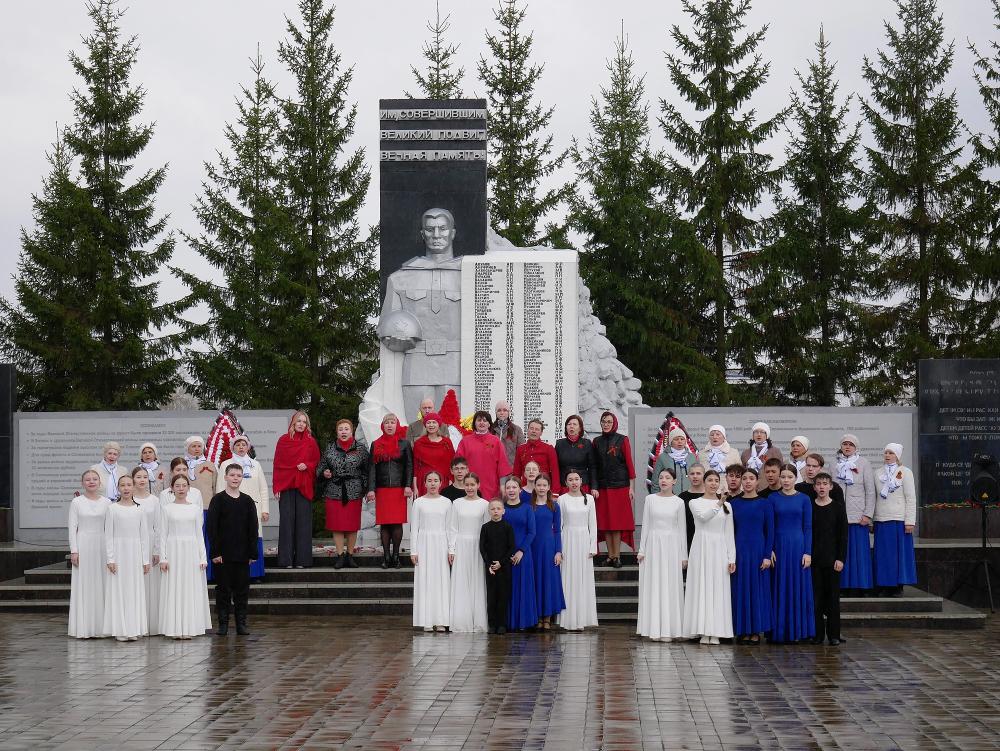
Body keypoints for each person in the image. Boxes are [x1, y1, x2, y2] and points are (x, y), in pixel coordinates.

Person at [378, 208, 463, 421]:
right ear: (422, 234)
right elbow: (386, 327)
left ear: (453, 233)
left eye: (442, 229)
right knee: (416, 429)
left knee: (455, 429)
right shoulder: (400, 278)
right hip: (416, 363)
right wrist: (394, 336)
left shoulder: (470, 274)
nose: (436, 235)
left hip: (456, 364)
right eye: (430, 229)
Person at [683, 470, 737, 645]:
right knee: (702, 586)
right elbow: (703, 518)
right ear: (704, 483)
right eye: (710, 480)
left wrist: (731, 558)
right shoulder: (694, 502)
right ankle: (702, 629)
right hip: (701, 546)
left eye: (716, 480)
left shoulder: (728, 506)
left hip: (719, 548)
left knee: (718, 588)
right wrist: (719, 502)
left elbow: (729, 533)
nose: (713, 483)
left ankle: (716, 631)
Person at [207, 464, 260, 636]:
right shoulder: (218, 500)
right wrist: (214, 552)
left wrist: (253, 553)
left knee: (242, 590)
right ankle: (223, 624)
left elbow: (253, 527)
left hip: (243, 554)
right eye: (232, 475)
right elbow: (212, 528)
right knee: (223, 590)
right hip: (223, 555)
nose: (235, 478)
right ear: (226, 477)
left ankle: (241, 624)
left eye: (239, 475)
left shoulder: (247, 501)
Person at [158, 474, 213, 639]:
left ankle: (190, 627)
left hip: (191, 551)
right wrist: (163, 557)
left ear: (189, 488)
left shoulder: (195, 509)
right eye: (177, 486)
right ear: (172, 489)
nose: (181, 489)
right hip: (173, 550)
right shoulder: (166, 509)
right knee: (175, 587)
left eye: (184, 485)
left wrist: (203, 557)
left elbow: (199, 534)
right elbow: (163, 535)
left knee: (189, 587)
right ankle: (174, 628)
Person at [637, 468, 688, 642]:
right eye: (661, 477)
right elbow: (646, 525)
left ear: (674, 481)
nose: (663, 480)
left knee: (669, 584)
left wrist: (683, 555)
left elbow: (682, 530)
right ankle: (653, 628)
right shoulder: (650, 499)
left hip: (672, 546)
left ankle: (670, 629)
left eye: (667, 478)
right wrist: (642, 550)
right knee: (654, 584)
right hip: (653, 545)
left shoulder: (679, 502)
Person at [103, 474, 150, 641]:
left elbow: (144, 536)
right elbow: (108, 535)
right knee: (119, 589)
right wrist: (110, 559)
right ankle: (120, 629)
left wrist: (145, 560)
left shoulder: (140, 509)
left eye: (129, 485)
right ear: (118, 488)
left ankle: (134, 628)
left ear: (134, 487)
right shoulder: (112, 509)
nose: (126, 488)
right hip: (119, 552)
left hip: (135, 553)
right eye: (122, 485)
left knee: (133, 590)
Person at [729, 468, 774, 644]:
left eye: (751, 478)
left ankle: (755, 630)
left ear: (757, 481)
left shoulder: (765, 503)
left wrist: (766, 555)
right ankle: (741, 629)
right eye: (744, 478)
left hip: (758, 551)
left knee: (757, 590)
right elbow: (729, 530)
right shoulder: (733, 504)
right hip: (739, 551)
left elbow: (770, 531)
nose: (747, 481)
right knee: (740, 590)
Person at [318, 419, 370, 569]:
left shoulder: (361, 449)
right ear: (337, 432)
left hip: (354, 492)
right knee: (337, 526)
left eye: (346, 429)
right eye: (340, 429)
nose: (344, 432)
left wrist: (364, 488)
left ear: (352, 431)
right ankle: (340, 556)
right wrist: (324, 473)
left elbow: (367, 470)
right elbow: (320, 468)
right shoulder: (330, 448)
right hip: (334, 491)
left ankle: (350, 555)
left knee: (352, 526)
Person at [771, 464, 815, 644]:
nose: (786, 480)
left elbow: (808, 527)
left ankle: (798, 631)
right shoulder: (773, 498)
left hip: (798, 546)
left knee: (798, 587)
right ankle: (779, 632)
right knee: (780, 586)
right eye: (783, 477)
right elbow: (770, 526)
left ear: (795, 478)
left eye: (790, 477)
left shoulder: (804, 499)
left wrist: (808, 552)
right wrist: (770, 549)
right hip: (779, 546)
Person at [218, 434, 271, 581]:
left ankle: (255, 574)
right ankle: (236, 573)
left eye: (243, 444)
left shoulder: (256, 465)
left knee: (253, 537)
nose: (241, 447)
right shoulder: (225, 464)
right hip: (232, 509)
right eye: (237, 444)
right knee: (235, 538)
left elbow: (263, 489)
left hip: (254, 508)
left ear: (248, 447)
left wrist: (265, 509)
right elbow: (220, 488)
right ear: (232, 447)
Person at [273, 410, 321, 569]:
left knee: (303, 524)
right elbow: (278, 465)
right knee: (286, 523)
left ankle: (303, 560)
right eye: (298, 421)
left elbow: (316, 462)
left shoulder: (311, 442)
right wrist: (277, 486)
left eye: (304, 422)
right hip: (286, 486)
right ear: (293, 423)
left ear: (307, 425)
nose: (301, 424)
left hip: (304, 485)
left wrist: (307, 465)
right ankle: (285, 560)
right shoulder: (283, 440)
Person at [68, 469, 111, 638]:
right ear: (82, 483)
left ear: (100, 482)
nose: (91, 482)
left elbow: (110, 527)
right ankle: (84, 627)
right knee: (85, 583)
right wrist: (74, 550)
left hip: (102, 544)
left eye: (94, 479)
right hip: (83, 543)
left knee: (102, 582)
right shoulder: (77, 502)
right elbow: (72, 527)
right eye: (87, 479)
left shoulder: (107, 502)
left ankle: (102, 627)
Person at [367, 413, 414, 570]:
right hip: (382, 489)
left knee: (397, 524)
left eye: (392, 422)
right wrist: (371, 489)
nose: (389, 425)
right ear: (382, 425)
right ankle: (386, 557)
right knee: (385, 524)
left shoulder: (404, 444)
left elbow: (409, 466)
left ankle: (396, 557)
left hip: (399, 489)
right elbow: (372, 468)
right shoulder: (376, 444)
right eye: (386, 422)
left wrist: (408, 485)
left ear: (397, 425)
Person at [591, 411, 636, 568]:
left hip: (620, 487)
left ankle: (617, 556)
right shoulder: (596, 442)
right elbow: (594, 466)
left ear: (614, 423)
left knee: (616, 524)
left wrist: (631, 487)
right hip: (603, 488)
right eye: (604, 421)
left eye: (609, 421)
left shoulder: (622, 440)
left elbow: (629, 464)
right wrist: (594, 486)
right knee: (606, 524)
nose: (606, 424)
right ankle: (610, 556)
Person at [447, 471, 490, 633]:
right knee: (462, 581)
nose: (470, 488)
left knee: (478, 581)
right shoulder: (457, 503)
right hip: (462, 546)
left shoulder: (485, 504)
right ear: (463, 486)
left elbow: (487, 529)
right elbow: (453, 528)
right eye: (467, 485)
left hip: (478, 546)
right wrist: (452, 548)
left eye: (473, 485)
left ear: (478, 485)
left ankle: (478, 622)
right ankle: (461, 621)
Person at [872, 443, 917, 597]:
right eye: (885, 452)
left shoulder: (905, 472)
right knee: (884, 554)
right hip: (881, 519)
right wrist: (872, 519)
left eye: (891, 453)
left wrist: (910, 521)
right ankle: (884, 584)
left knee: (898, 554)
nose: (887, 455)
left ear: (897, 455)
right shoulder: (877, 473)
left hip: (899, 519)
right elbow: (874, 497)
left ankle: (898, 585)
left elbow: (910, 498)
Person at [556, 470, 599, 631]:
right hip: (567, 539)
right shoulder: (561, 500)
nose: (574, 482)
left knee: (583, 578)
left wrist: (593, 546)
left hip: (583, 541)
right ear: (566, 483)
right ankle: (568, 620)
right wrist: (559, 548)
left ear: (581, 481)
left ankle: (582, 618)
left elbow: (593, 524)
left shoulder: (588, 499)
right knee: (568, 577)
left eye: (576, 479)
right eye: (570, 479)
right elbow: (558, 526)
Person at [834, 434, 875, 595]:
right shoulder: (834, 463)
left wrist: (868, 514)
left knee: (859, 553)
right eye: (845, 444)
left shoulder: (864, 463)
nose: (847, 447)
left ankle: (861, 586)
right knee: (842, 552)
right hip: (839, 515)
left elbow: (870, 491)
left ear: (856, 447)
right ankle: (843, 586)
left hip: (858, 516)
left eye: (851, 444)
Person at [410, 471, 452, 632]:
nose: (433, 483)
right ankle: (426, 620)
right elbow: (415, 528)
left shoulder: (447, 502)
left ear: (441, 483)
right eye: (429, 480)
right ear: (425, 483)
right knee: (425, 580)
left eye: (436, 480)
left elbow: (450, 527)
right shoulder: (418, 502)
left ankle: (441, 620)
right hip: (424, 543)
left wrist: (451, 549)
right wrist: (413, 551)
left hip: (441, 543)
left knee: (441, 581)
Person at [811, 473, 848, 645]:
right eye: (818, 484)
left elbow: (843, 536)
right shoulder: (810, 507)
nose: (821, 487)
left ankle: (834, 634)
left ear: (831, 486)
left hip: (833, 560)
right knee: (816, 599)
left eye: (825, 484)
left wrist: (841, 558)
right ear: (814, 487)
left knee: (833, 598)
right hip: (815, 561)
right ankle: (818, 634)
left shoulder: (838, 508)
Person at [530, 474, 566, 630]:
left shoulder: (554, 506)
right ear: (535, 487)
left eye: (544, 485)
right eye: (539, 485)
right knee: (536, 580)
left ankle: (547, 618)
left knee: (548, 581)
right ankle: (537, 617)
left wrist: (558, 551)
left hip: (549, 546)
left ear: (549, 487)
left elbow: (557, 530)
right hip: (533, 547)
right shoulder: (529, 505)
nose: (541, 488)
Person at [502, 477, 537, 631]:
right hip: (506, 554)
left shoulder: (527, 508)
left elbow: (532, 532)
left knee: (524, 586)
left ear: (520, 490)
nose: (511, 490)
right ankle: (510, 622)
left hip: (523, 553)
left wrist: (521, 551)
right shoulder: (501, 509)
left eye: (514, 487)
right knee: (509, 588)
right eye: (508, 487)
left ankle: (524, 622)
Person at [456, 411, 512, 501]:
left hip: (491, 487)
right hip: (469, 486)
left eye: (485, 421)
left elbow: (502, 465)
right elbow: (458, 465)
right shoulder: (465, 441)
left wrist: (502, 485)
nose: (482, 422)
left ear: (489, 424)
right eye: (479, 420)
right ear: (474, 423)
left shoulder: (496, 441)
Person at [132, 467, 162, 635]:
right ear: (133, 479)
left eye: (145, 477)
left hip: (150, 543)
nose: (142, 480)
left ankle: (152, 623)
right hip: (133, 543)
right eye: (138, 477)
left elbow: (158, 526)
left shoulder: (154, 500)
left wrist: (157, 550)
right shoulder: (129, 499)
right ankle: (136, 623)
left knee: (151, 582)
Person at [480, 499, 516, 635]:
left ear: (503, 511)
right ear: (489, 511)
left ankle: (502, 624)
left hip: (504, 567)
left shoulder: (507, 527)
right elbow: (482, 547)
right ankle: (492, 624)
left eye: (498, 508)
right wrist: (489, 564)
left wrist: (501, 562)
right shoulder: (485, 527)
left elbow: (511, 547)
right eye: (493, 509)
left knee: (503, 596)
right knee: (491, 596)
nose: (495, 511)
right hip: (490, 568)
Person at [512, 420, 561, 494]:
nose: (534, 431)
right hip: (525, 489)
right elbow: (516, 472)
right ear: (527, 430)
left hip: (543, 489)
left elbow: (555, 472)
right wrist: (516, 489)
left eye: (537, 429)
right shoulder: (520, 449)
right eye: (531, 428)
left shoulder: (549, 449)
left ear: (541, 433)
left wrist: (555, 492)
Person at [412, 411, 454, 497]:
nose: (431, 425)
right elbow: (415, 466)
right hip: (424, 481)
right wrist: (415, 487)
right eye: (428, 422)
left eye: (434, 422)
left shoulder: (447, 442)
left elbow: (451, 463)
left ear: (438, 424)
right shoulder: (419, 443)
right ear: (425, 425)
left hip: (442, 480)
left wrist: (451, 482)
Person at [651, 428, 699, 495]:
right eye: (676, 439)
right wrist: (656, 498)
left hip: (689, 497)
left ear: (685, 441)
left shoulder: (692, 457)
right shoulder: (663, 457)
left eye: (682, 439)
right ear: (671, 441)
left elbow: (698, 479)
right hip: (668, 498)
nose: (679, 441)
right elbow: (655, 482)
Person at [555, 414, 594, 493]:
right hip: (565, 485)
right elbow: (556, 467)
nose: (571, 426)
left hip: (582, 485)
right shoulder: (560, 444)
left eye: (574, 424)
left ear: (580, 428)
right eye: (569, 424)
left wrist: (594, 487)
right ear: (566, 427)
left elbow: (592, 467)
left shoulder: (587, 443)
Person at [741, 422, 783, 490]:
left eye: (762, 432)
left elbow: (781, 471)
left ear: (767, 435)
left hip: (769, 489)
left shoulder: (775, 451)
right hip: (749, 490)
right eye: (756, 432)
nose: (759, 434)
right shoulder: (746, 453)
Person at [677, 463, 705, 550]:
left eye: (698, 473)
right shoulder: (682, 497)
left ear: (704, 475)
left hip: (706, 539)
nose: (695, 476)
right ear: (688, 476)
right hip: (688, 540)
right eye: (692, 474)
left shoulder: (711, 496)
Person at [183, 436, 218, 505]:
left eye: (199, 446)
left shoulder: (210, 465)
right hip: (186, 503)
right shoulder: (182, 465)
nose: (197, 449)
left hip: (206, 503)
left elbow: (215, 486)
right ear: (187, 448)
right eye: (193, 446)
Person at [492, 400, 525, 468]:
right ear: (496, 412)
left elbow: (522, 451)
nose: (502, 413)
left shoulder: (517, 429)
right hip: (493, 468)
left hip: (510, 469)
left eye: (505, 410)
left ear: (509, 412)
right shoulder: (490, 429)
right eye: (499, 410)